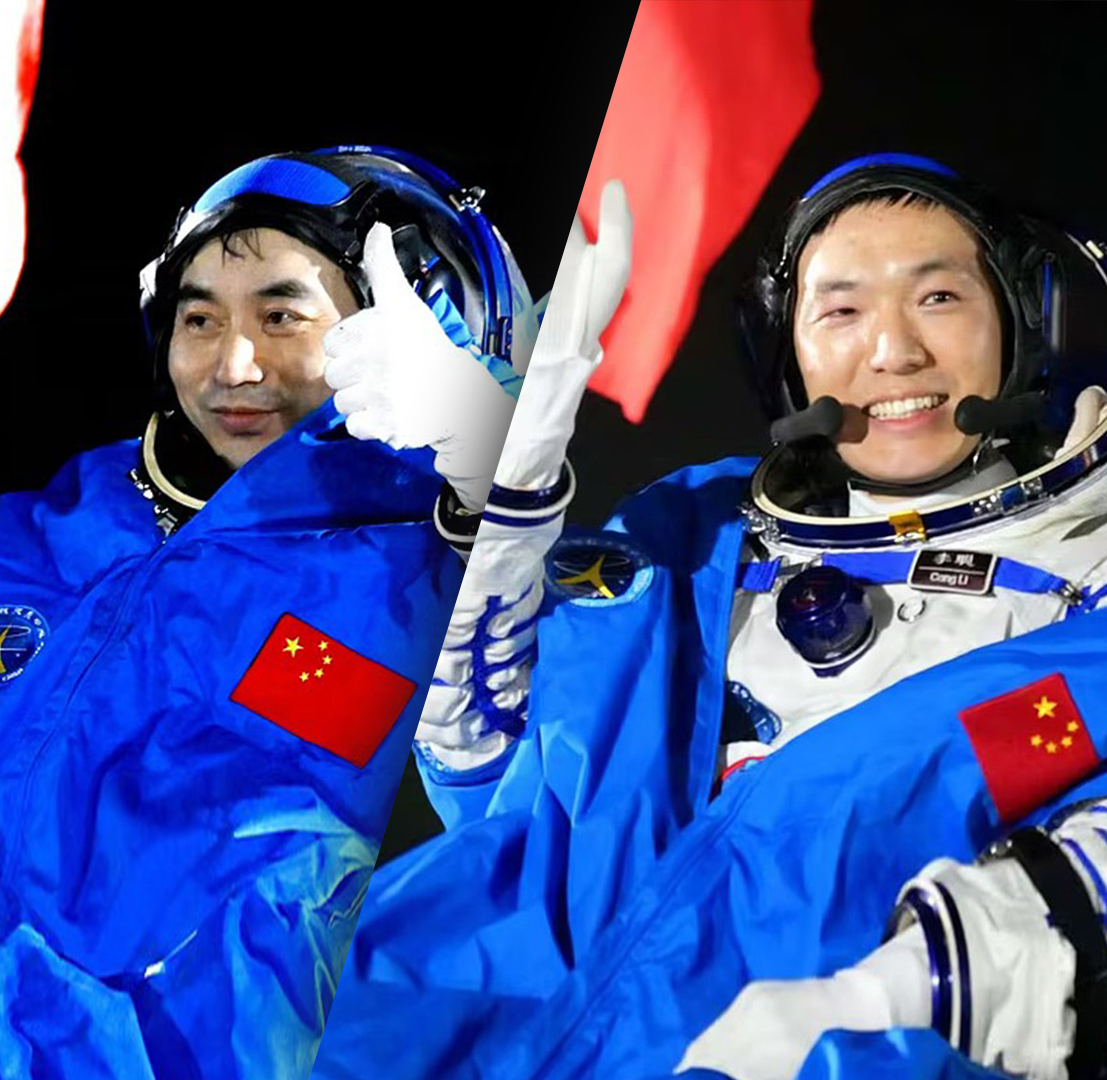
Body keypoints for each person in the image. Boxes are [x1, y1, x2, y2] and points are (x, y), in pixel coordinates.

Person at [0, 145, 566, 1079]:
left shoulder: (426, 571)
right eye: (197, 317)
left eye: (283, 314)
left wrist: (496, 477)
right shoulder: (74, 516)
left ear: (426, 327)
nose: (231, 363)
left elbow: (504, 774)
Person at [311, 156, 1107, 1080]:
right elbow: (495, 777)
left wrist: (896, 992)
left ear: (1025, 321)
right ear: (786, 351)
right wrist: (501, 496)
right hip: (509, 1031)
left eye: (937, 299)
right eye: (841, 311)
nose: (893, 352)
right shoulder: (688, 538)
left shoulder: (1083, 582)